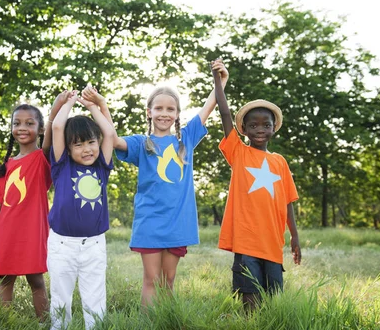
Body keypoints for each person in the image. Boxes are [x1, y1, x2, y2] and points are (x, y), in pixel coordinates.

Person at [113, 60, 229, 308]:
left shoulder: (186, 139)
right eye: (159, 108)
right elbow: (112, 140)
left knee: (168, 280)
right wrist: (100, 106)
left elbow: (210, 106)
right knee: (151, 279)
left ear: (177, 114)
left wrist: (220, 82)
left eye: (170, 109)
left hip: (178, 221)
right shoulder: (140, 144)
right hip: (150, 220)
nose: (164, 113)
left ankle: (165, 328)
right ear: (149, 112)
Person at [212, 62, 301, 312]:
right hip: (247, 240)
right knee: (250, 296)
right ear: (244, 130)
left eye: (265, 124)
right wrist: (218, 79)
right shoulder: (239, 153)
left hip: (273, 242)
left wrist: (294, 236)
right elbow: (225, 114)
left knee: (273, 298)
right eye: (253, 125)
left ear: (274, 128)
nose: (260, 129)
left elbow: (288, 202)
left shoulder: (279, 162)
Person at [0, 98, 64, 321]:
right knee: (5, 279)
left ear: (40, 128)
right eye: (17, 123)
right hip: (7, 231)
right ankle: (4, 325)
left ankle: (45, 326)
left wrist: (56, 107)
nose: (22, 128)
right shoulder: (5, 167)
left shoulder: (42, 159)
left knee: (36, 279)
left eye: (29, 123)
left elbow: (52, 135)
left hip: (33, 230)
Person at [47, 87, 115, 330]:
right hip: (62, 244)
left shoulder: (102, 167)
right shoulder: (61, 165)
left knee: (95, 295)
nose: (87, 149)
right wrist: (70, 102)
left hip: (94, 244)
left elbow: (109, 132)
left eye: (91, 142)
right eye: (78, 145)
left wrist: (93, 107)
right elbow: (56, 128)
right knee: (61, 295)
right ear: (67, 148)